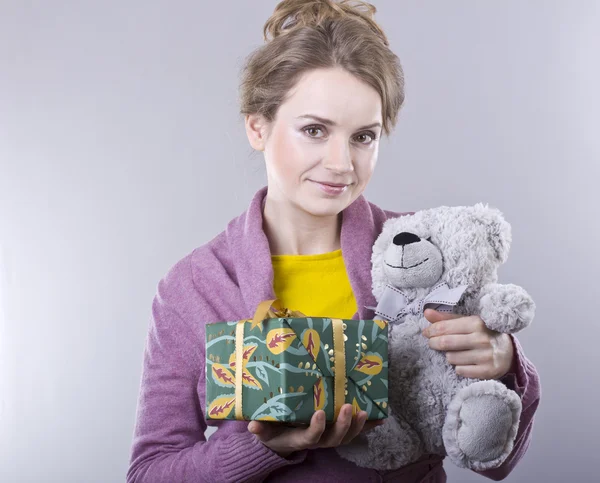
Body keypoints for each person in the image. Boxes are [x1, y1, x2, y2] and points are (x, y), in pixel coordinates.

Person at [126, 1, 541, 482]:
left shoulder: (424, 251)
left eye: (363, 137)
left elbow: (498, 460)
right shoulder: (195, 286)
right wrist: (262, 445)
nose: (341, 163)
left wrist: (505, 364)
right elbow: (150, 473)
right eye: (314, 130)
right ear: (258, 126)